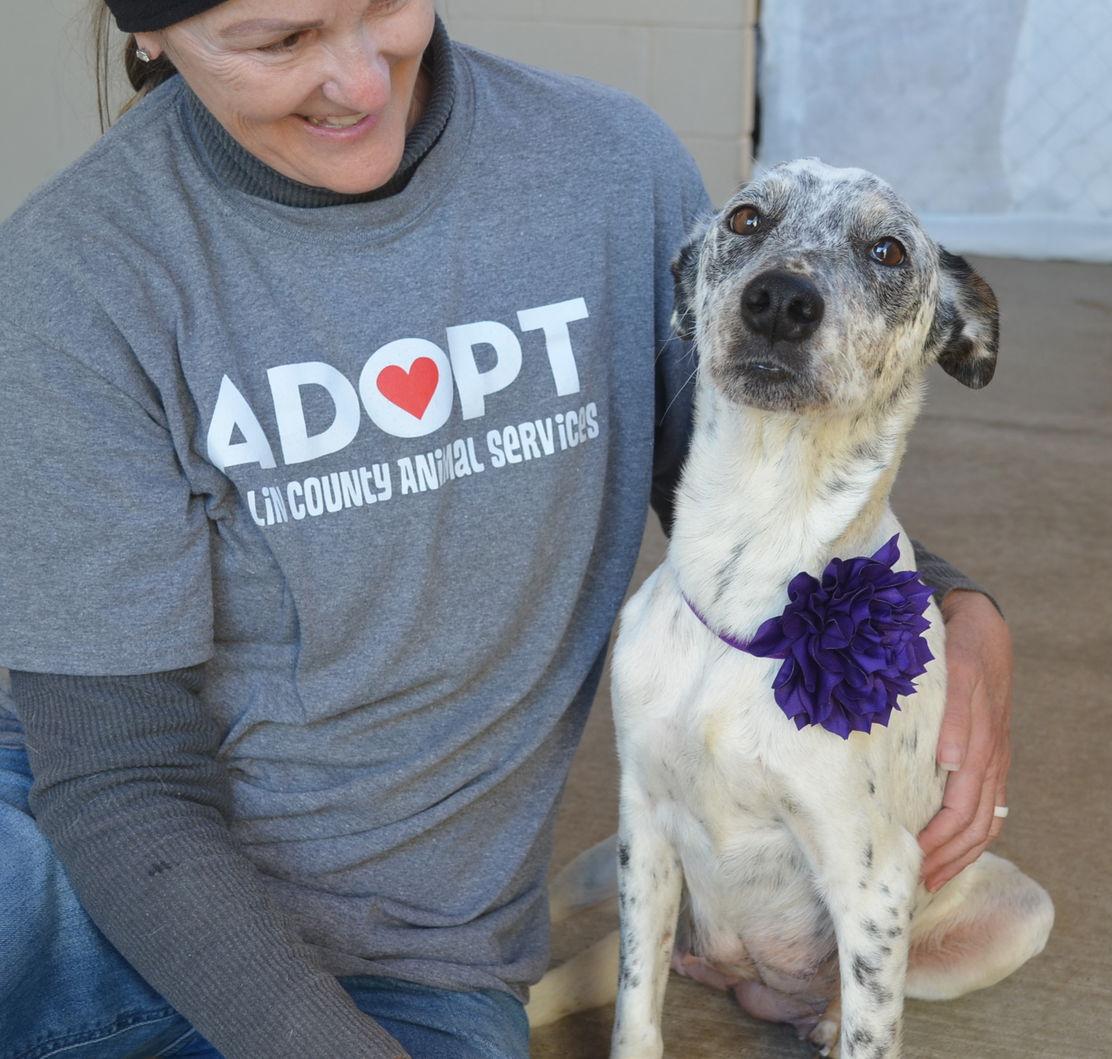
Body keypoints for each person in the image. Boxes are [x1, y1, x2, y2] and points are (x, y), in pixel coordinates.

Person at [0, 1, 1016, 1056]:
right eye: (278, 41)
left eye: (384, 6)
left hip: (411, 962)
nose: (359, 81)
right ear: (154, 33)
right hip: (75, 891)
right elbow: (118, 779)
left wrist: (946, 597)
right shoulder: (79, 271)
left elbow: (738, 469)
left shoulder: (610, 172)